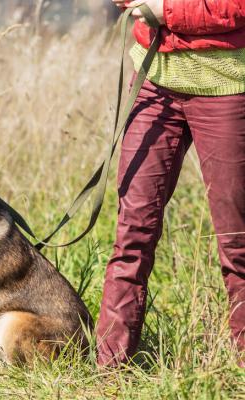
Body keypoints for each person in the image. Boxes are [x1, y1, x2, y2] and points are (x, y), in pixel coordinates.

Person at [97, 0, 245, 367]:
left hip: (229, 85)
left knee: (237, 241)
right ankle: (109, 368)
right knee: (131, 233)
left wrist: (169, 11)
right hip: (153, 82)